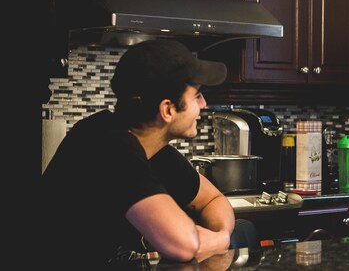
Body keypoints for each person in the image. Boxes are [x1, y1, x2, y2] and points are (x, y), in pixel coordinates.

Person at [41, 39, 238, 267]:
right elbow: (184, 245)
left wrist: (218, 234)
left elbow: (212, 199)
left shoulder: (152, 147)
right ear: (168, 109)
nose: (203, 104)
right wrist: (221, 239)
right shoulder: (107, 146)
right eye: (197, 96)